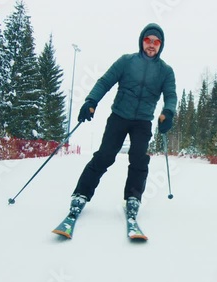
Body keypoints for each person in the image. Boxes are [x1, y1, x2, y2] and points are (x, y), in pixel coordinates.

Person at [68, 23, 177, 221]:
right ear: (141, 41)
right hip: (119, 117)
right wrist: (91, 101)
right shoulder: (126, 62)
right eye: (148, 40)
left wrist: (168, 113)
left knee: (138, 159)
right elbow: (105, 81)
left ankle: (133, 198)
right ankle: (81, 194)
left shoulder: (165, 72)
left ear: (161, 45)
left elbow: (171, 95)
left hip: (143, 122)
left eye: (156, 42)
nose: (151, 45)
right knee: (105, 156)